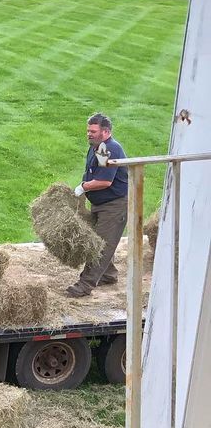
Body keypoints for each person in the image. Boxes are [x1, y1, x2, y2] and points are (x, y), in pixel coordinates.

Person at [65, 112, 129, 298]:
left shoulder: (110, 149)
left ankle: (84, 285)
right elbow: (95, 172)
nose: (89, 134)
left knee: (100, 246)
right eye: (88, 130)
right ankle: (108, 274)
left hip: (114, 206)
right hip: (102, 203)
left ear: (106, 132)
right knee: (98, 238)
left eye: (93, 131)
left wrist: (83, 187)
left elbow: (104, 181)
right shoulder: (97, 147)